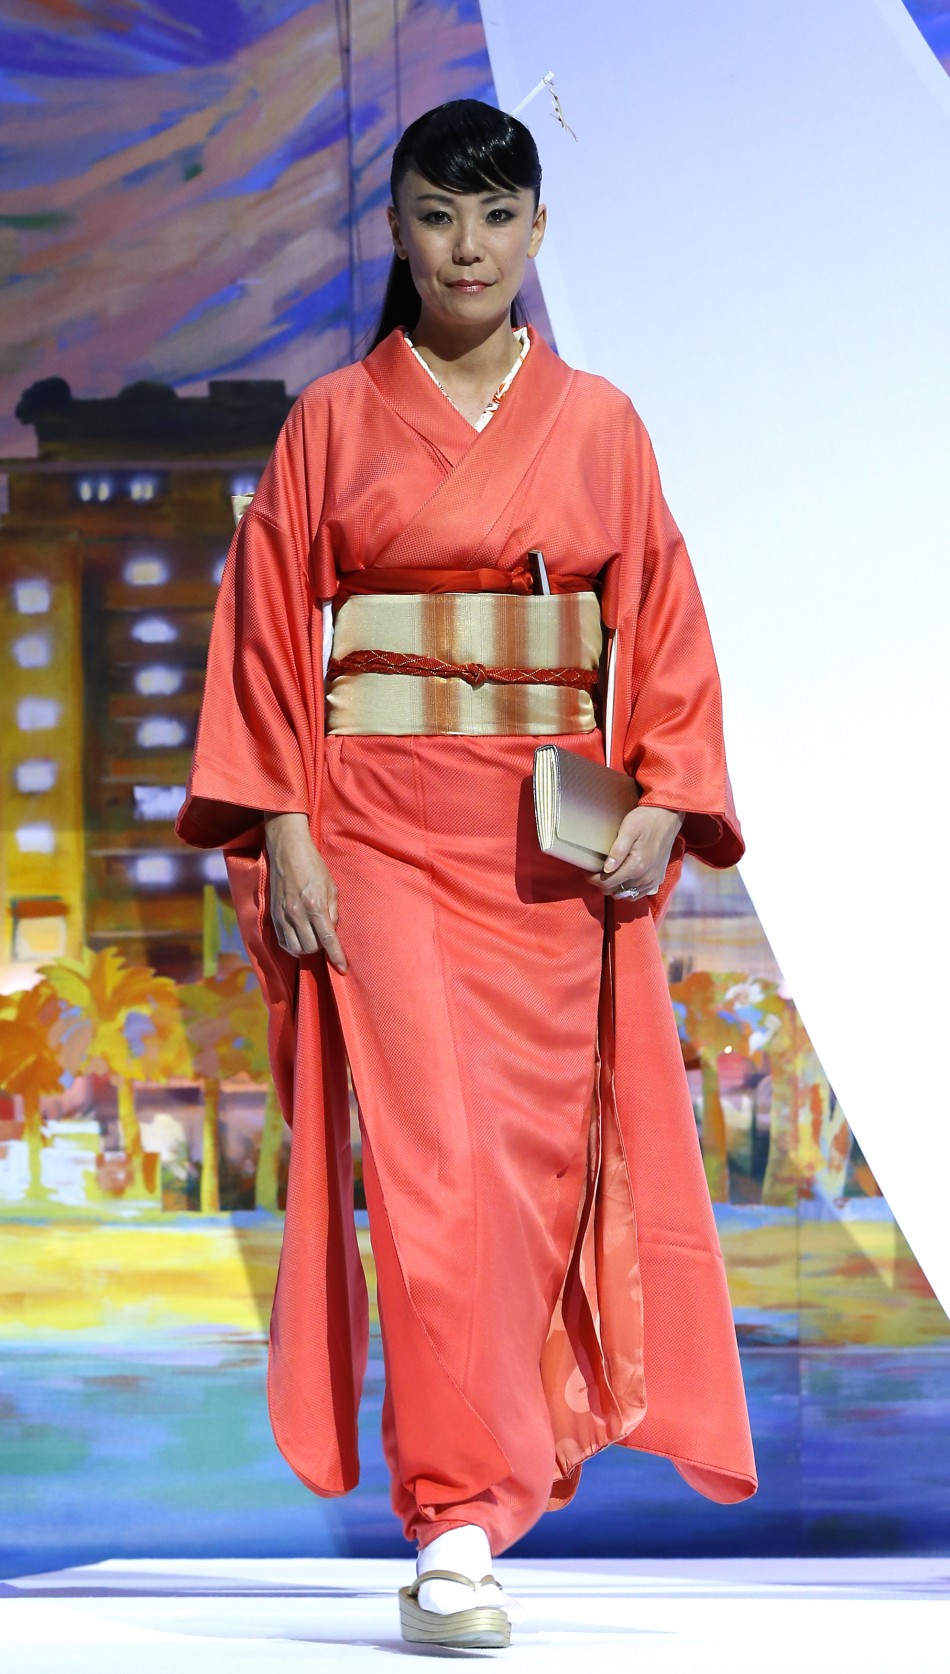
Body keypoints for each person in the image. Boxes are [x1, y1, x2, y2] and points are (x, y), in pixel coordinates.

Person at [175, 98, 757, 1650]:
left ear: (540, 231)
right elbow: (257, 639)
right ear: (397, 229)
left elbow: (670, 630)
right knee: (431, 1174)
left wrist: (673, 789)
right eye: (438, 216)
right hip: (374, 829)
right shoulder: (328, 423)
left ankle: (492, 1486)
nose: (468, 247)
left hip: (545, 849)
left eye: (497, 218)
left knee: (531, 1173)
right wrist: (284, 824)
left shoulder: (604, 424)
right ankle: (455, 1524)